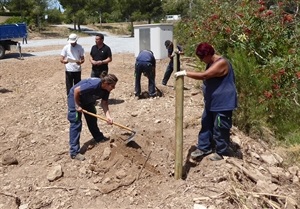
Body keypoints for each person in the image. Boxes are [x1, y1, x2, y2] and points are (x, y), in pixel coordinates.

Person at [174, 42, 238, 161]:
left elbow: (205, 75)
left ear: (208, 54)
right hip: (212, 102)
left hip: (222, 103)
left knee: (220, 127)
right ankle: (204, 147)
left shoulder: (222, 63)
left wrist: (186, 73)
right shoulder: (210, 62)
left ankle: (222, 152)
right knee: (206, 124)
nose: (201, 60)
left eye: (201, 57)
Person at [67, 74, 118, 161]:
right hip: (75, 97)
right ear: (105, 83)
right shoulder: (94, 85)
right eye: (112, 86)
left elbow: (104, 103)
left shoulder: (106, 90)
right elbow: (76, 90)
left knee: (92, 118)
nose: (114, 88)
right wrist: (77, 105)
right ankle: (74, 152)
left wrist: (108, 116)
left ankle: (99, 137)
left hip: (87, 99)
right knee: (76, 123)